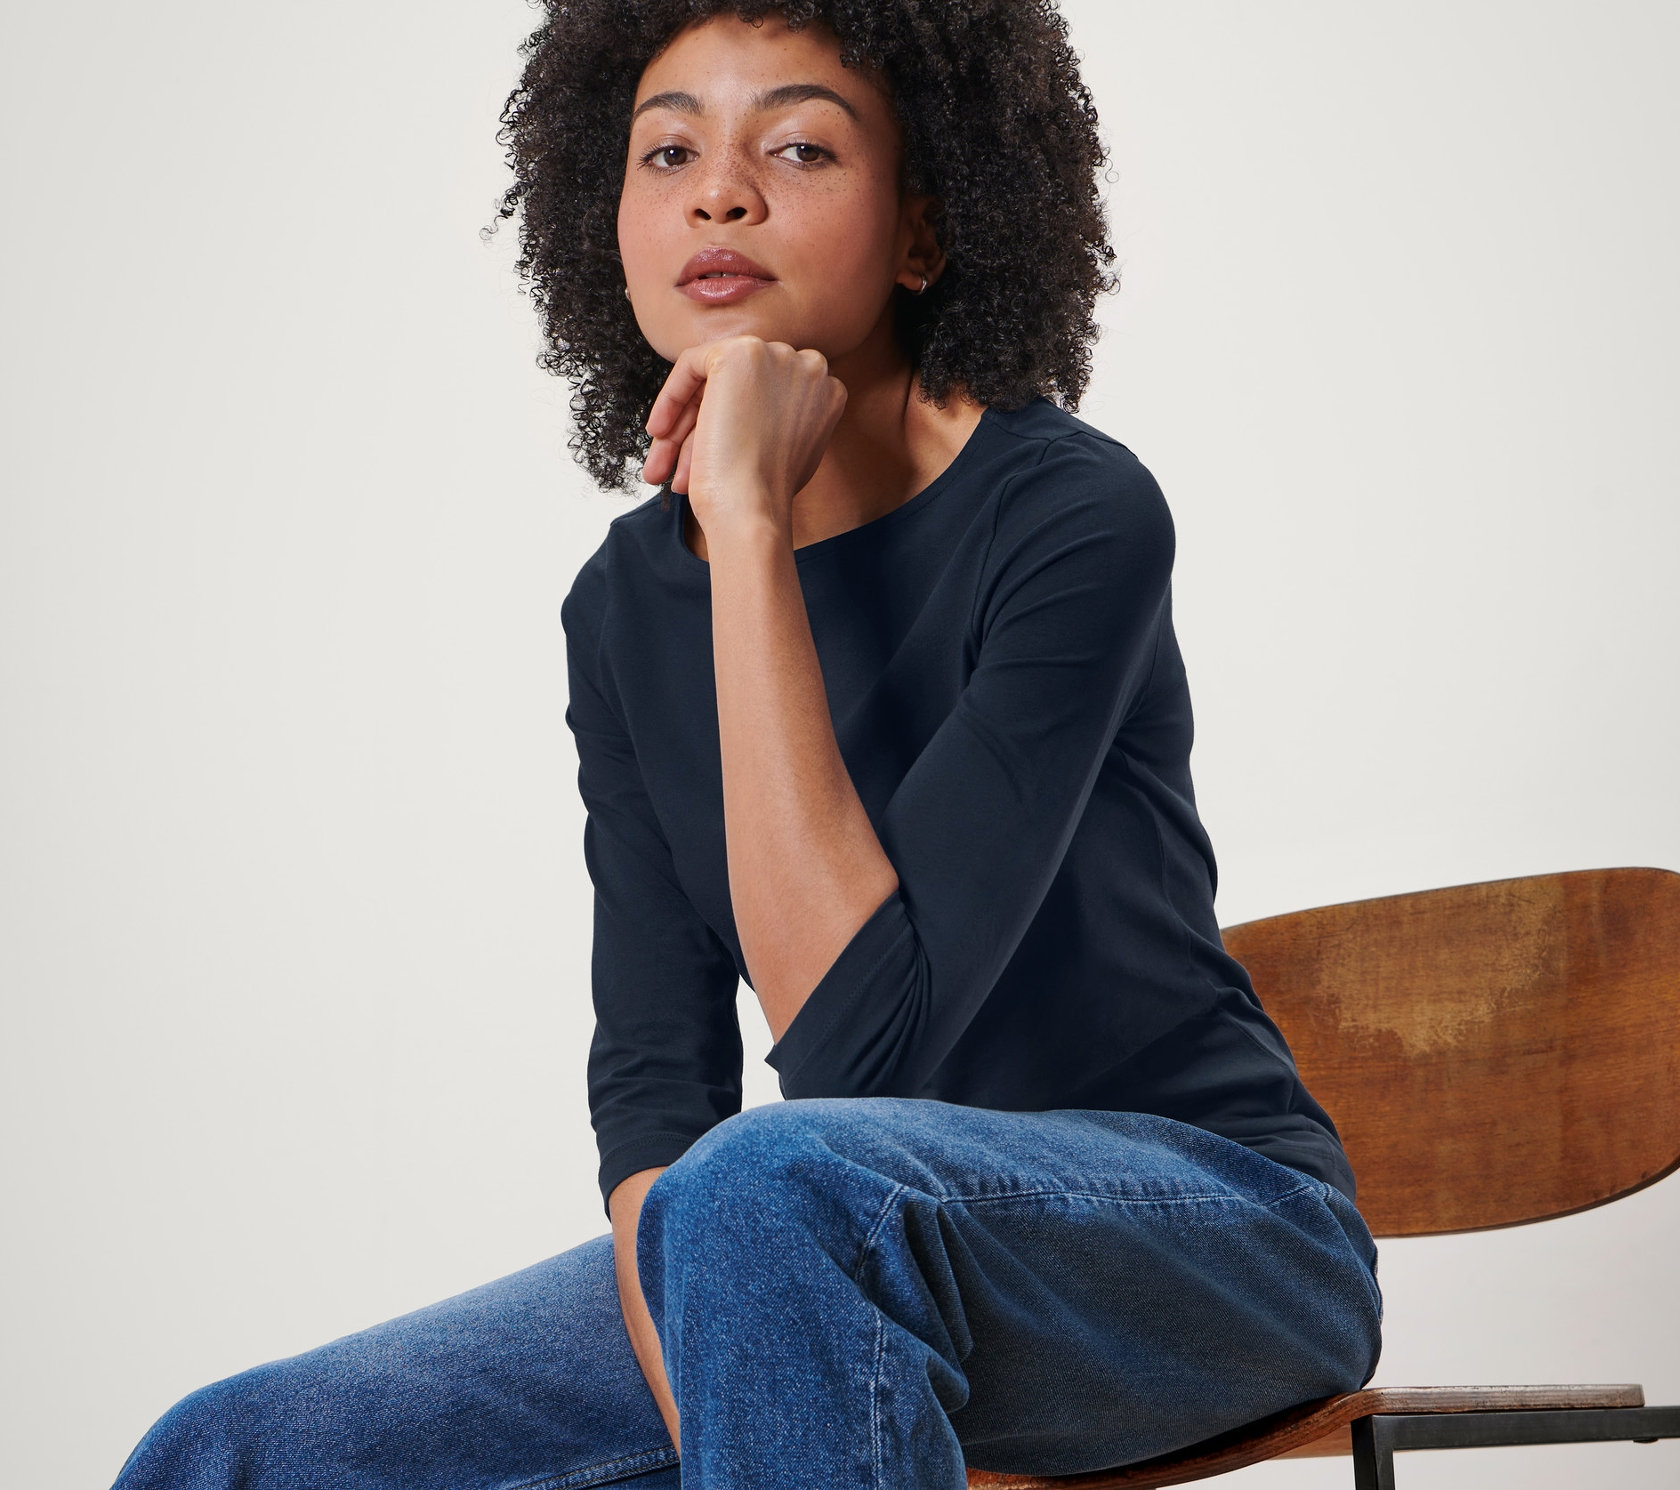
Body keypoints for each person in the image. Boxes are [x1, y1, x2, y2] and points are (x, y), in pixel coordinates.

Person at [110, 3, 1383, 1487]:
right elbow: (656, 1083)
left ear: (923, 230)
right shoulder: (621, 608)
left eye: (795, 143)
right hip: (806, 1239)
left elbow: (863, 1046)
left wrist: (752, 531)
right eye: (666, 151)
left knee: (772, 1183)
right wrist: (704, 1368)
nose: (719, 191)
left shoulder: (1070, 513)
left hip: (1212, 1238)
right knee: (229, 1455)